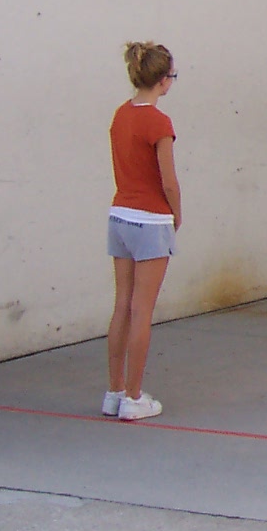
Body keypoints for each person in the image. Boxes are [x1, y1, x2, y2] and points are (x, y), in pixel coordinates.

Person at [104, 42, 181, 422]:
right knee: (142, 309)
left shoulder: (121, 115)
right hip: (150, 221)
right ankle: (134, 397)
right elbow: (168, 181)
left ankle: (115, 390)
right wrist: (176, 214)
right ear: (163, 80)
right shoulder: (158, 122)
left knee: (122, 304)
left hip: (118, 216)